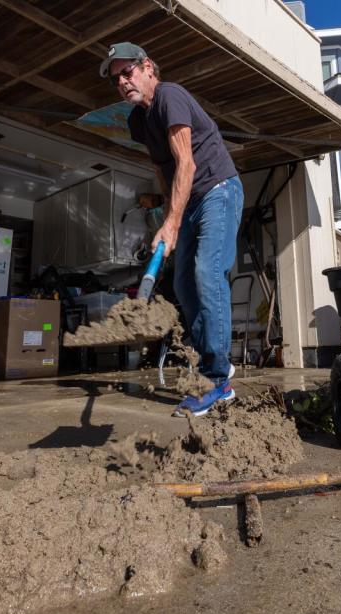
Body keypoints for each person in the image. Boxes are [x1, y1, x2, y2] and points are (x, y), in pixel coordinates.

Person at [100, 42, 244, 417]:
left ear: (147, 67)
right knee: (182, 284)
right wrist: (168, 216)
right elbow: (163, 169)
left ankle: (217, 382)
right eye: (116, 78)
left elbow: (186, 164)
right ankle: (216, 362)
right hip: (188, 200)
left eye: (127, 72)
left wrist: (172, 222)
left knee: (206, 273)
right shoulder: (137, 121)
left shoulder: (170, 96)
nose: (122, 82)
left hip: (218, 190)